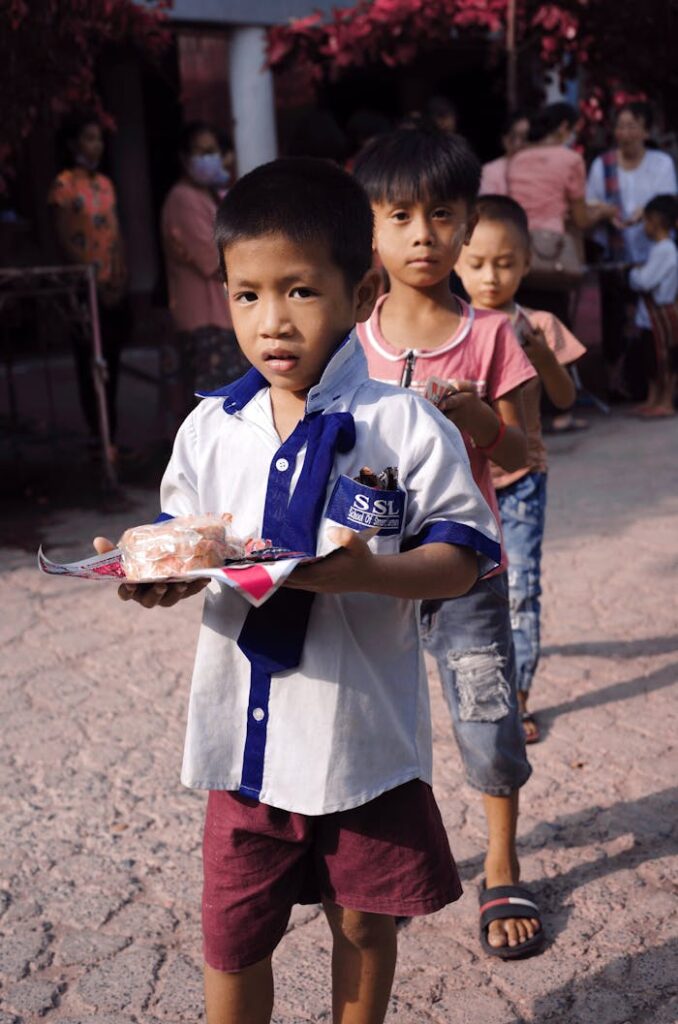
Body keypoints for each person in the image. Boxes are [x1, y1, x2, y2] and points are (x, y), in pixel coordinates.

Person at [94, 157, 504, 1024]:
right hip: (244, 758)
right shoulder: (211, 428)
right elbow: (192, 544)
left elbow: (464, 555)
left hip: (362, 742)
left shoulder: (401, 424)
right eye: (246, 295)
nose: (270, 321)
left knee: (361, 922)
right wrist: (155, 576)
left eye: (298, 292)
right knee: (234, 940)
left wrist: (370, 574)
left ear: (359, 295)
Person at [354, 128, 546, 960]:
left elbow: (524, 452)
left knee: (484, 710)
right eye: (401, 216)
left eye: (441, 215)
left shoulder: (493, 334)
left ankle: (501, 858)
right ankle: (378, 870)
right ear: (371, 225)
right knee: (374, 720)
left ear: (468, 223)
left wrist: (478, 421)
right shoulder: (351, 339)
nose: (423, 234)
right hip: (368, 571)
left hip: (466, 570)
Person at [455, 194, 586, 742]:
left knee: (522, 588)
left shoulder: (539, 324)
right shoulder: (452, 327)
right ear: (458, 260)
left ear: (527, 261)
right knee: (468, 590)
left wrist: (545, 356)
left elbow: (565, 399)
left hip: (523, 480)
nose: (491, 277)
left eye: (505, 263)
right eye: (478, 263)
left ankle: (519, 697)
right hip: (464, 486)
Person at [48, 112, 128, 459]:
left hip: (112, 283)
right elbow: (63, 236)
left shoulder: (106, 184)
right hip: (84, 285)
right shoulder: (64, 185)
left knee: (112, 355)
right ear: (73, 144)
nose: (95, 145)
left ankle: (112, 431)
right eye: (88, 138)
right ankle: (98, 434)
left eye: (98, 138)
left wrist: (119, 276)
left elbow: (116, 233)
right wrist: (86, 277)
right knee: (89, 358)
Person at [587, 102, 678, 398]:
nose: (624, 133)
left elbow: (667, 201)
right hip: (617, 257)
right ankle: (617, 383)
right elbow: (590, 206)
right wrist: (605, 213)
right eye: (620, 126)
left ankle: (650, 386)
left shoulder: (661, 163)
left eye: (632, 125)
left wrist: (644, 214)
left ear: (646, 130)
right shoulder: (603, 165)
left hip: (652, 254)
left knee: (653, 328)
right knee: (615, 322)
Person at [161, 121, 249, 424]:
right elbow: (215, 259)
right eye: (201, 152)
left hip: (219, 317)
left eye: (213, 151)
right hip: (203, 319)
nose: (209, 158)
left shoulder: (209, 195)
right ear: (184, 158)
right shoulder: (183, 199)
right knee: (213, 411)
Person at [501, 102, 617, 324]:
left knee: (522, 327)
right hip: (553, 255)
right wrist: (603, 213)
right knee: (555, 332)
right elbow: (581, 219)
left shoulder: (517, 159)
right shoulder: (571, 159)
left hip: (519, 251)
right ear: (564, 127)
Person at [627, 194, 678, 416]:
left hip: (661, 314)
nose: (644, 227)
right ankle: (653, 398)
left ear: (655, 221)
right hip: (651, 316)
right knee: (652, 360)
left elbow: (645, 281)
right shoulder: (661, 249)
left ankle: (665, 401)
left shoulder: (665, 250)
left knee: (664, 359)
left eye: (646, 221)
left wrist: (634, 273)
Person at [480, 110, 530, 195]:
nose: (517, 144)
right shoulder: (490, 171)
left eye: (524, 137)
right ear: (503, 139)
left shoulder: (543, 167)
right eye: (512, 137)